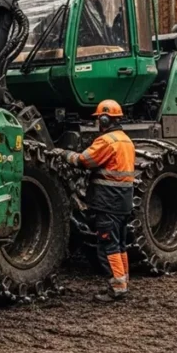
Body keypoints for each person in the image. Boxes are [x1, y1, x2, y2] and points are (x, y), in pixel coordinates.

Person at [63, 99, 136, 302]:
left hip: (108, 202)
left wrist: (65, 154)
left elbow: (84, 160)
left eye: (99, 119)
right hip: (123, 202)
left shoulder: (107, 141)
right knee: (120, 244)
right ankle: (124, 282)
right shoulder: (126, 140)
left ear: (104, 119)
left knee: (108, 245)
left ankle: (117, 288)